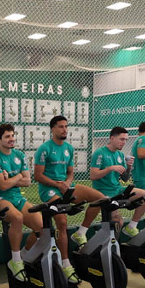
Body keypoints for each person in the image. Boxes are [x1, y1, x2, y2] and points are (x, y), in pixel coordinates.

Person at [33, 116, 99, 276]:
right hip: (49, 190)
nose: (64, 129)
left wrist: (67, 183)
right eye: (61, 127)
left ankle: (81, 232)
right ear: (53, 129)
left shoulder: (69, 148)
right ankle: (65, 263)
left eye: (66, 126)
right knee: (62, 222)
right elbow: (38, 176)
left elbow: (70, 173)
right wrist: (58, 185)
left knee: (100, 199)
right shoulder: (44, 149)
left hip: (65, 187)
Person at [0, 123, 33, 284]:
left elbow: (28, 182)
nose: (12, 139)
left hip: (17, 198)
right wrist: (19, 176)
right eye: (7, 136)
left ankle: (24, 254)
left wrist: (13, 178)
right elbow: (2, 186)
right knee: (17, 218)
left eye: (12, 135)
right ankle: (16, 260)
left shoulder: (19, 155)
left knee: (43, 226)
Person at [88, 127, 142, 233]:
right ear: (112, 138)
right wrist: (109, 168)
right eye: (122, 139)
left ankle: (131, 227)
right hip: (103, 191)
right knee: (117, 221)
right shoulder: (100, 152)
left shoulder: (120, 155)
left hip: (117, 189)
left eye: (126, 140)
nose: (124, 142)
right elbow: (93, 176)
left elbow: (125, 178)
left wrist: (129, 166)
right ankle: (106, 243)